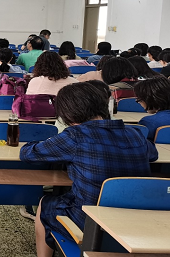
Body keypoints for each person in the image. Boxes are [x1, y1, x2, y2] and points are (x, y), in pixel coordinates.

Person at [20, 82, 157, 257]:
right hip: (136, 218)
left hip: (91, 221)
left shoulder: (75, 136)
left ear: (67, 113)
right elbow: (152, 154)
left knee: (45, 204)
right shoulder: (135, 134)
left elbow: (27, 154)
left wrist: (44, 142)